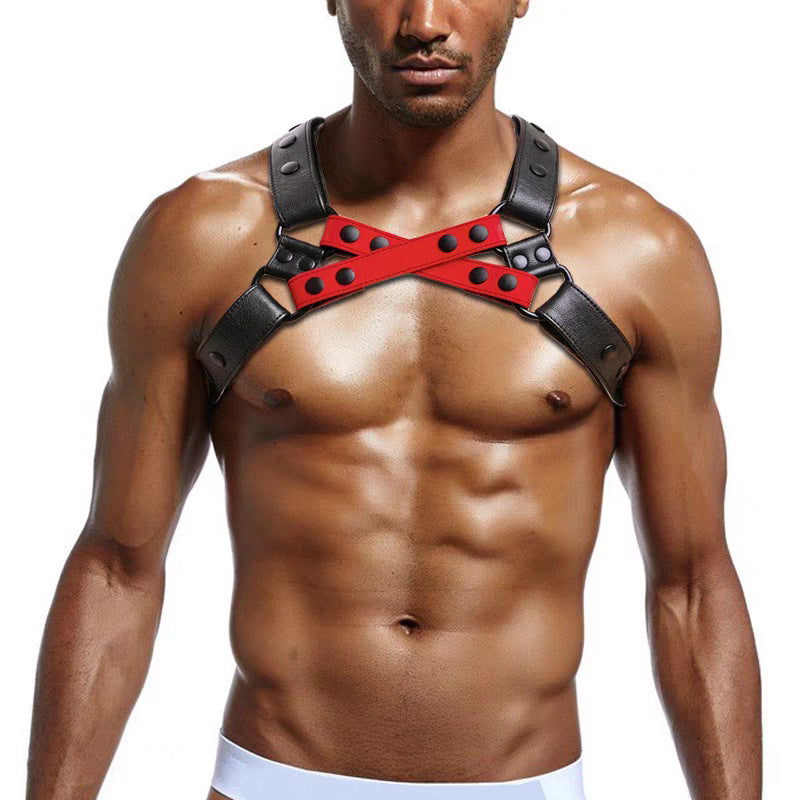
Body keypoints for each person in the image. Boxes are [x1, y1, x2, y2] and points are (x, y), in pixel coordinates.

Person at [26, 1, 762, 798]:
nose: (425, 21)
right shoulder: (200, 237)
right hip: (272, 779)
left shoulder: (639, 253)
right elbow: (117, 569)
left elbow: (693, 585)